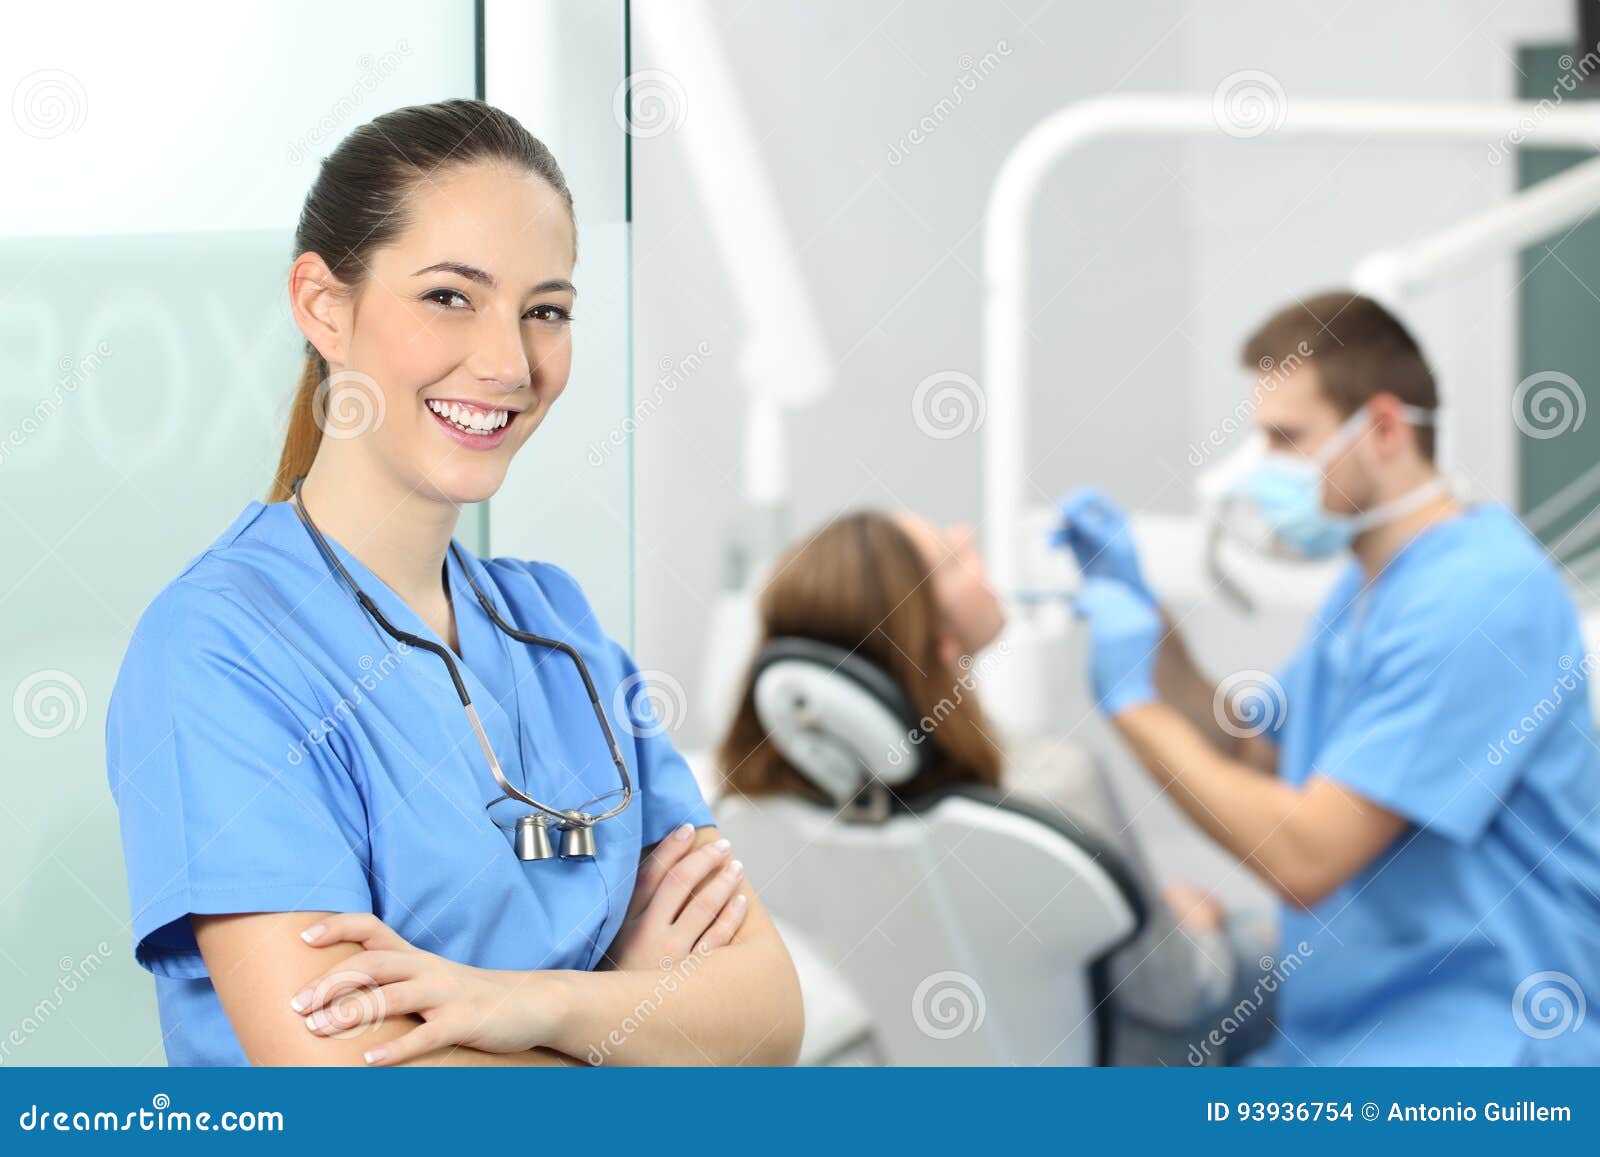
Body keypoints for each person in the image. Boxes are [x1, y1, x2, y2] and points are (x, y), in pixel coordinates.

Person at [104, 99, 802, 1067]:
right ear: (322, 305)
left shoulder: (557, 629)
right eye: (449, 296)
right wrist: (631, 1011)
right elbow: (360, 1093)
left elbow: (765, 1016)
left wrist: (530, 1006)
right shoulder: (219, 649)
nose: (508, 362)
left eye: (545, 311)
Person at [1057, 290, 1600, 1065]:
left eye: (1286, 438)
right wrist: (1150, 629)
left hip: (1484, 1043)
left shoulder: (1477, 597)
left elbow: (1304, 856)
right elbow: (1256, 752)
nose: (1260, 470)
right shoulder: (1369, 585)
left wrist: (1135, 709)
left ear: (1382, 426)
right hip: (1355, 1022)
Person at [714, 509, 1272, 1064]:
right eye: (951, 558)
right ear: (938, 640)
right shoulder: (1051, 788)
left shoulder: (760, 815)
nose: (968, 530)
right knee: (1293, 943)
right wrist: (1196, 924)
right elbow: (1178, 993)